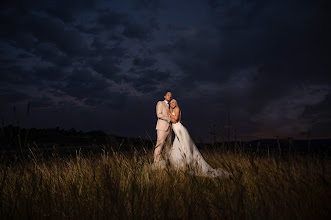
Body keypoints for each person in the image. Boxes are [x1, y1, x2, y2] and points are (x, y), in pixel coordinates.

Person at [166, 99, 231, 178]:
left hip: (180, 130)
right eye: (171, 103)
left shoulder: (176, 109)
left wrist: (169, 113)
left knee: (184, 146)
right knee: (178, 147)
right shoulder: (174, 110)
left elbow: (176, 119)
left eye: (173, 102)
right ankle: (180, 164)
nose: (172, 104)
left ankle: (189, 163)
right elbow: (178, 119)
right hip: (177, 131)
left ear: (176, 103)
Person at [152, 92, 177, 168]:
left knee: (168, 147)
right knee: (159, 144)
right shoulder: (160, 103)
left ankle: (165, 163)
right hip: (162, 128)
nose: (170, 96)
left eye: (171, 96)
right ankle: (156, 163)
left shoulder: (171, 107)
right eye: (168, 95)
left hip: (169, 128)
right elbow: (159, 115)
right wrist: (169, 119)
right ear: (165, 96)